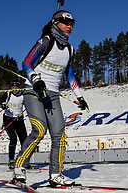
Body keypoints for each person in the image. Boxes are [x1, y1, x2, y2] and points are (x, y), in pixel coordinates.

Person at [13, 10, 89, 186]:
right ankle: (19, 168)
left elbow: (70, 76)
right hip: (33, 90)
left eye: (72, 23)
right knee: (39, 130)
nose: (69, 26)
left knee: (59, 134)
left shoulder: (70, 49)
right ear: (55, 23)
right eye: (65, 22)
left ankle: (55, 174)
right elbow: (26, 62)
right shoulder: (46, 41)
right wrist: (36, 79)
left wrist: (80, 97)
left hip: (52, 94)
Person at [0, 81, 27, 169]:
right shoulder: (8, 94)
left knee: (24, 140)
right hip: (8, 120)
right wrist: (1, 105)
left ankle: (24, 161)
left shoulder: (23, 95)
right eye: (12, 88)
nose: (14, 89)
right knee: (13, 139)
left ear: (19, 88)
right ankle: (11, 161)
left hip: (19, 120)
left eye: (16, 88)